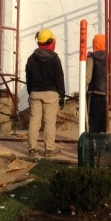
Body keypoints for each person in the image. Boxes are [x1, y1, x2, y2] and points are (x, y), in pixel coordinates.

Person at [25, 28, 65, 157]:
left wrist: (30, 93)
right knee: (49, 122)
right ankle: (49, 149)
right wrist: (62, 96)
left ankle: (32, 149)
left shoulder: (31, 59)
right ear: (50, 41)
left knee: (34, 121)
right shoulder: (54, 59)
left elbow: (28, 79)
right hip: (51, 94)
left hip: (35, 93)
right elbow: (59, 80)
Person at [86, 33, 111, 133]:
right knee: (103, 121)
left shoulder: (92, 56)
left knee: (92, 121)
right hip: (105, 95)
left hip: (93, 94)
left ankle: (92, 144)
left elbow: (87, 77)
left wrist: (83, 88)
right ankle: (102, 144)